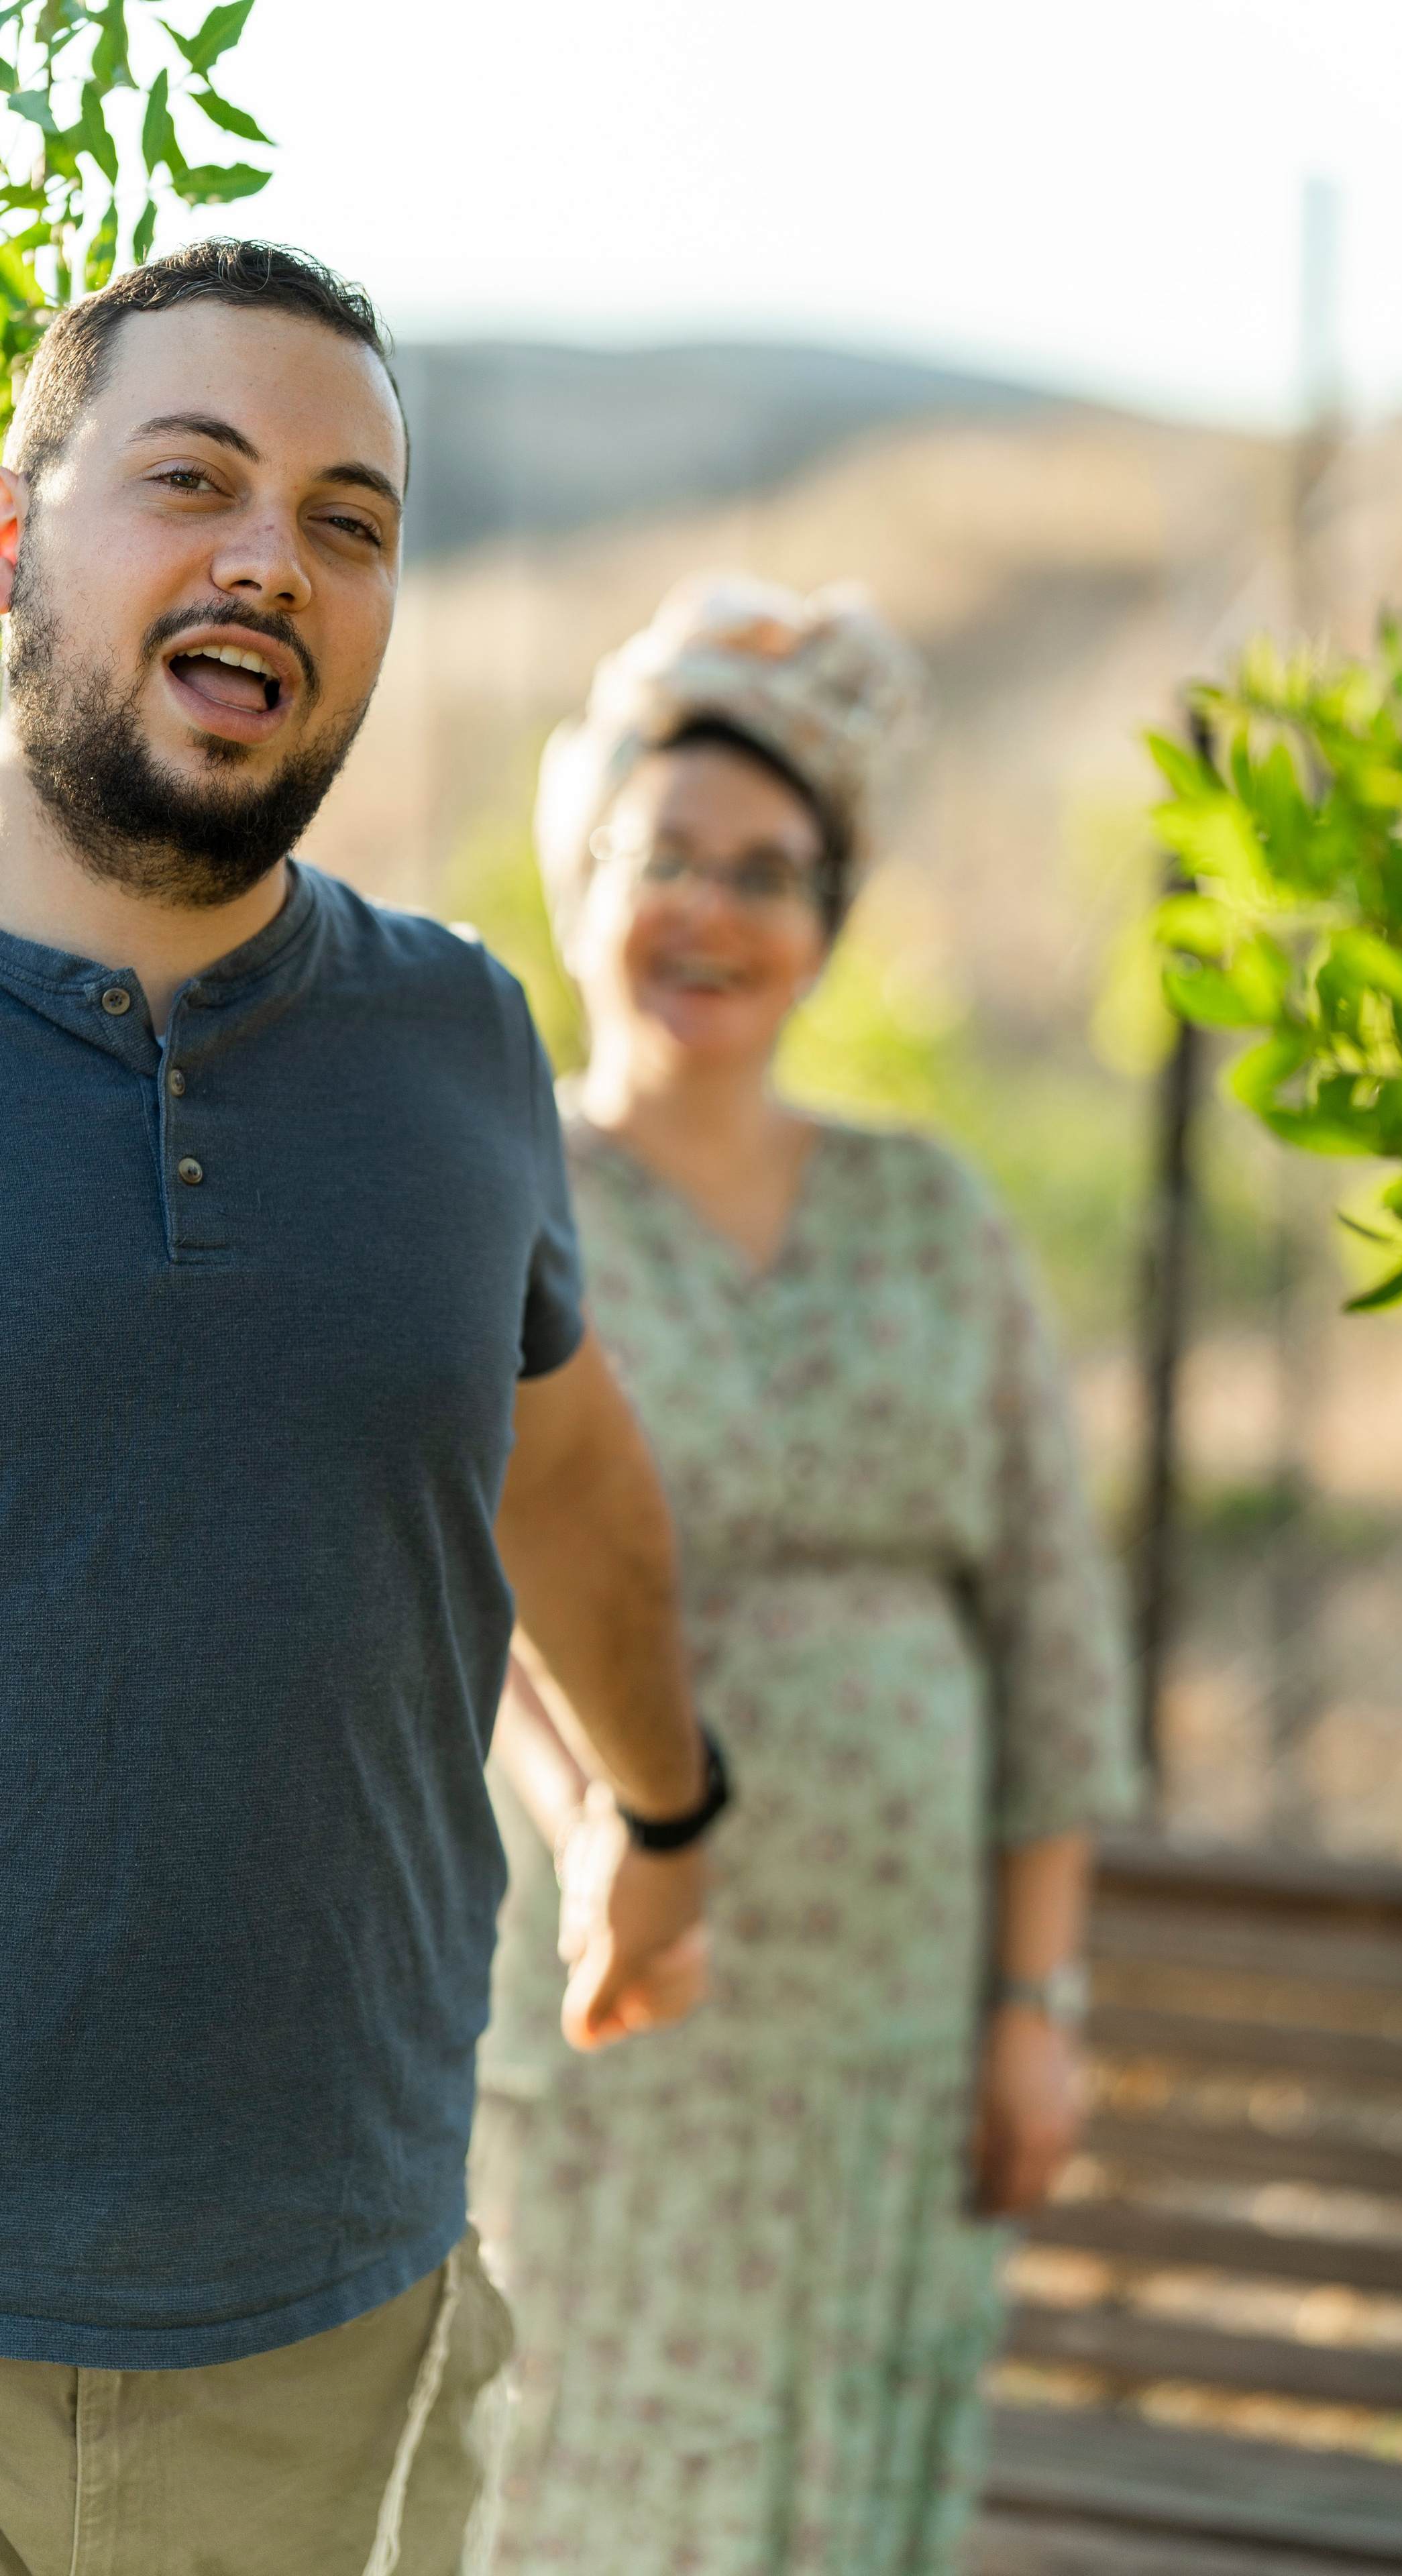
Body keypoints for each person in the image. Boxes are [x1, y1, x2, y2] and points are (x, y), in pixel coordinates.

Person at [0, 241, 718, 2576]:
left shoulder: (463, 1045)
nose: (267, 558)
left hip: (329, 2345)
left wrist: (666, 1810)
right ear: (18, 534)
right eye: (188, 479)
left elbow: (573, 1472)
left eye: (348, 517)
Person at [471, 573, 1139, 2574]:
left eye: (771, 872)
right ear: (582, 879)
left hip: (898, 2039)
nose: (716, 911)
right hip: (618, 2022)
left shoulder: (932, 1216)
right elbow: (472, 1583)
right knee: (586, 2478)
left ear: (827, 927)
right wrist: (604, 1826)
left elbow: (1049, 1629)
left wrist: (1034, 1996)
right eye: (668, 854)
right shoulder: (495, 1198)